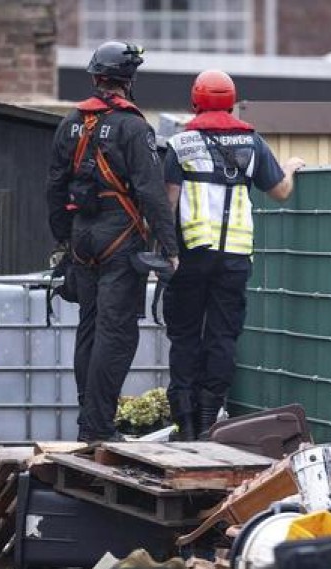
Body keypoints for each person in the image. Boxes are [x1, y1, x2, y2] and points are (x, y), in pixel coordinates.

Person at [46, 41, 178, 443]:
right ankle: (98, 427)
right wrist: (169, 249)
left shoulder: (70, 122)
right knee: (116, 333)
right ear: (129, 78)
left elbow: (54, 186)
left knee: (89, 327)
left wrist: (63, 241)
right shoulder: (134, 127)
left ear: (95, 76)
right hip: (119, 238)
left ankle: (90, 417)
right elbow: (152, 192)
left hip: (82, 238)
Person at [163, 70, 306, 440]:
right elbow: (280, 192)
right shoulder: (251, 142)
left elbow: (168, 203)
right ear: (231, 100)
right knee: (223, 336)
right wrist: (289, 168)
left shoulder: (180, 144)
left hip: (191, 255)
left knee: (185, 337)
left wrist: (166, 251)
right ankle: (211, 420)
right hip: (234, 258)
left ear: (195, 100)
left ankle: (186, 422)